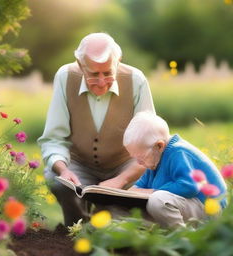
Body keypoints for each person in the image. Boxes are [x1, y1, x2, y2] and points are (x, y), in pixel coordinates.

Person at [37, 33, 155, 226]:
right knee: (55, 178)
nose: (101, 82)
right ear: (80, 64)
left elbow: (149, 144)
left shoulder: (137, 80)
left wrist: (121, 180)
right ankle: (76, 230)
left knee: (120, 213)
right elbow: (53, 139)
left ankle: (113, 224)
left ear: (118, 61)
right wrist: (63, 169)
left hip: (125, 165)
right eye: (93, 74)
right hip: (79, 164)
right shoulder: (65, 77)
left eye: (108, 73)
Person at [123, 111, 227, 228]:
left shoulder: (178, 152)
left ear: (159, 146)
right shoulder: (153, 160)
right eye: (135, 158)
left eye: (141, 158)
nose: (138, 163)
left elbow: (189, 186)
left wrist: (151, 192)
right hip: (189, 207)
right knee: (122, 211)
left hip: (209, 208)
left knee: (157, 201)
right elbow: (138, 187)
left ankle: (182, 237)